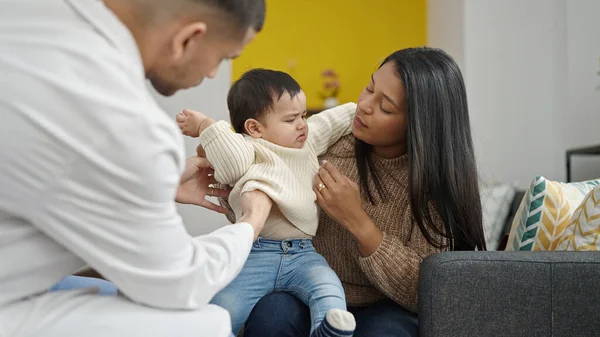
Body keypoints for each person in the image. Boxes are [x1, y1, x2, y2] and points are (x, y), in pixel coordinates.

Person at [0, 0, 270, 336]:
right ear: (187, 39)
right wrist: (250, 223)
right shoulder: (123, 123)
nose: (214, 73)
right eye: (223, 58)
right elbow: (181, 284)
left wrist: (159, 186)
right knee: (206, 325)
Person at [240, 47, 487, 337]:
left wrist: (358, 222)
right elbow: (264, 172)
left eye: (385, 107)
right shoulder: (327, 146)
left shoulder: (435, 188)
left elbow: (429, 290)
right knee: (272, 315)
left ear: (419, 125)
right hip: (306, 287)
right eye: (369, 88)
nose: (365, 105)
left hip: (387, 305)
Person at [176, 69, 357, 337]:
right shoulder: (247, 149)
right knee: (225, 307)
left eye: (304, 115)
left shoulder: (305, 144)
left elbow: (333, 120)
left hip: (303, 254)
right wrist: (206, 125)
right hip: (255, 254)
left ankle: (327, 331)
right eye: (291, 119)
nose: (302, 124)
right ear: (255, 128)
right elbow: (230, 163)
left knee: (328, 288)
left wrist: (363, 108)